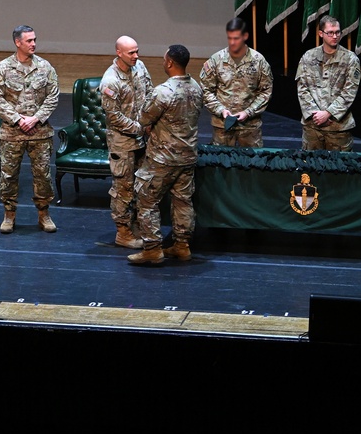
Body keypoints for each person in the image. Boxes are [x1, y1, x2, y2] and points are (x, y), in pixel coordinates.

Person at [129, 44, 204, 265]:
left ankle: (152, 249)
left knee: (146, 200)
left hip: (163, 158)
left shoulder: (163, 91)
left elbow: (144, 120)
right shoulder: (197, 88)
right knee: (183, 201)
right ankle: (182, 245)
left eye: (164, 59)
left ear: (170, 62)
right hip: (187, 155)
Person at [0, 25, 60, 234]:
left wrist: (36, 118)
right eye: (29, 41)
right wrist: (18, 120)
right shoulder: (3, 68)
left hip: (39, 133)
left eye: (34, 40)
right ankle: (9, 215)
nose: (33, 44)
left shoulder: (45, 67)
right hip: (12, 133)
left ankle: (44, 214)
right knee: (9, 176)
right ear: (17, 42)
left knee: (43, 176)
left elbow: (53, 96)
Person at [99, 35, 152, 248]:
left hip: (142, 140)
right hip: (123, 143)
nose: (136, 56)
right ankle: (123, 232)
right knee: (123, 190)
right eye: (131, 52)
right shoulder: (110, 81)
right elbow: (114, 117)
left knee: (142, 187)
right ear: (118, 53)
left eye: (137, 51)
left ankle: (138, 227)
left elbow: (149, 94)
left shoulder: (140, 68)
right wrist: (140, 128)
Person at [199, 17, 273, 147]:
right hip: (222, 126)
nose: (232, 42)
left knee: (253, 164)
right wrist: (220, 109)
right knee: (221, 163)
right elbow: (206, 89)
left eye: (236, 38)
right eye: (230, 38)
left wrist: (248, 112)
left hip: (249, 127)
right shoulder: (216, 60)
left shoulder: (258, 61)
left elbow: (266, 91)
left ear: (245, 36)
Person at [295, 14, 361, 151]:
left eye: (337, 32)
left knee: (339, 169)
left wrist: (328, 113)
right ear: (321, 33)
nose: (335, 36)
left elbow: (349, 92)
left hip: (338, 128)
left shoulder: (350, 59)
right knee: (311, 168)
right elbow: (302, 88)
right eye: (330, 33)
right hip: (313, 127)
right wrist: (315, 114)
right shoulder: (308, 57)